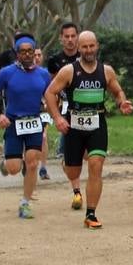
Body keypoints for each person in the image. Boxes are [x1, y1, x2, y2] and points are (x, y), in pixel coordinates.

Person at [44, 30, 133, 229]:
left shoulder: (106, 71)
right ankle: (67, 161)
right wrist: (57, 118)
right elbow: (50, 92)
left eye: (92, 46)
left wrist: (122, 102)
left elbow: (117, 90)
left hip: (97, 124)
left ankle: (91, 213)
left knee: (96, 165)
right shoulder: (68, 71)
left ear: (97, 46)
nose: (89, 50)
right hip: (74, 126)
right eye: (84, 47)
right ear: (79, 48)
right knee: (72, 171)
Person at [0, 36, 52, 219]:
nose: (27, 54)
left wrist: (53, 109)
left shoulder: (42, 74)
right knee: (14, 168)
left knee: (32, 163)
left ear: (35, 53)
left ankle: (25, 203)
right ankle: (6, 164)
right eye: (23, 51)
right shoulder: (7, 73)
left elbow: (52, 95)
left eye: (30, 51)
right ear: (17, 54)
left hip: (34, 123)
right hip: (13, 123)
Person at [47, 22, 80, 162]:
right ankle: (63, 151)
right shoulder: (54, 60)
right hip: (64, 100)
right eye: (67, 36)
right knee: (67, 125)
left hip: (83, 99)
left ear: (77, 37)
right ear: (61, 38)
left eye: (73, 36)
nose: (70, 40)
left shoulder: (85, 56)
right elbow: (52, 85)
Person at [34, 47, 52, 180]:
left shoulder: (46, 74)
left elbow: (52, 91)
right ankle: (27, 163)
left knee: (44, 137)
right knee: (28, 139)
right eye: (35, 55)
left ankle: (43, 168)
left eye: (39, 55)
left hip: (42, 110)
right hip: (27, 110)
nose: (37, 57)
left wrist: (48, 102)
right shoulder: (23, 72)